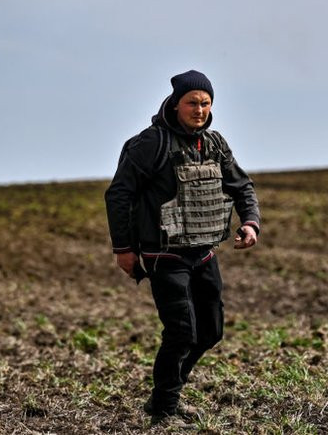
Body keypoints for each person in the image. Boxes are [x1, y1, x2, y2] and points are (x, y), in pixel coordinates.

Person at [104, 70, 260, 424]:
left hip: (204, 253)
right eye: (192, 102)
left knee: (211, 331)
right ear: (176, 105)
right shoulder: (151, 143)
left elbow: (242, 187)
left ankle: (169, 387)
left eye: (205, 103)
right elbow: (119, 194)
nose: (199, 110)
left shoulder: (215, 144)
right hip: (164, 254)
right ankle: (164, 407)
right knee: (181, 332)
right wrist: (123, 249)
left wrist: (250, 222)